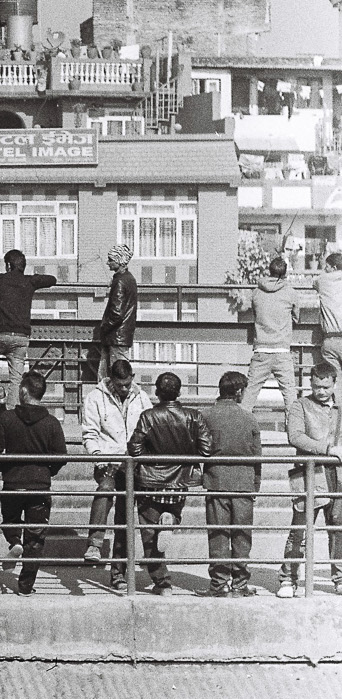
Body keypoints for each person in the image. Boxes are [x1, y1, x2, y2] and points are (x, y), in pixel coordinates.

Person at [127, 372, 213, 596]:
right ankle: (172, 520)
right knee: (173, 514)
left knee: (148, 534)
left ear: (157, 392)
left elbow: (134, 448)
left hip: (150, 482)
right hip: (179, 482)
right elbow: (206, 450)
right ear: (180, 391)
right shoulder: (193, 416)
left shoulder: (148, 416)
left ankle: (163, 583)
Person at [0, 370, 67, 596]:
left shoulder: (7, 418)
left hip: (12, 484)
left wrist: (5, 468)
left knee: (10, 520)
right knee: (35, 538)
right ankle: (25, 586)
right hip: (39, 485)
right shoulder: (52, 422)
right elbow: (61, 455)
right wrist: (47, 471)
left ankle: (14, 541)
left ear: (23, 391)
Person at [80, 358, 152, 571]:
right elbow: (90, 434)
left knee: (125, 516)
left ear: (133, 379)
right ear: (110, 380)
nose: (123, 389)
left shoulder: (142, 398)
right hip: (107, 461)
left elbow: (150, 429)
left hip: (133, 463)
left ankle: (119, 574)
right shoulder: (94, 398)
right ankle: (94, 544)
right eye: (119, 385)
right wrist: (100, 458)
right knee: (105, 488)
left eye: (127, 385)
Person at [278, 361, 342, 597]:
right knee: (300, 528)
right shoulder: (300, 405)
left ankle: (339, 578)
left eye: (325, 387)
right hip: (310, 474)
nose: (321, 392)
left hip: (338, 475)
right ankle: (288, 578)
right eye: (316, 387)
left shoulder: (340, 408)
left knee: (338, 529)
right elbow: (295, 436)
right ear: (310, 384)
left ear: (334, 384)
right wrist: (327, 449)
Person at [201, 371, 262, 597]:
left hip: (216, 482)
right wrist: (256, 484)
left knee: (218, 535)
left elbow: (199, 449)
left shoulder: (206, 416)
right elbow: (257, 455)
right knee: (242, 536)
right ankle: (239, 584)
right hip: (244, 484)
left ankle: (218, 584)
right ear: (238, 391)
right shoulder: (249, 418)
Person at [0, 249, 57, 410]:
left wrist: (2, 277)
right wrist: (32, 278)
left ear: (7, 265)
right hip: (21, 338)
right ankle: (11, 412)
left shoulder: (0, 280)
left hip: (2, 336)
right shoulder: (30, 281)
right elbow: (52, 279)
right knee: (16, 379)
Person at [244, 255, 301, 415]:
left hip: (261, 350)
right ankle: (293, 431)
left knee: (250, 394)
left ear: (269, 271)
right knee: (290, 395)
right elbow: (297, 317)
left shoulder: (256, 292)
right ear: (285, 274)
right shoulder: (290, 292)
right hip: (282, 351)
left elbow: (254, 314)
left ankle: (241, 430)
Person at [97, 243, 138, 378]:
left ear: (119, 261)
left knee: (115, 376)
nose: (108, 263)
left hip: (116, 337)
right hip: (122, 336)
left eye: (111, 259)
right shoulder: (129, 279)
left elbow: (116, 313)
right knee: (120, 374)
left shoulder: (120, 282)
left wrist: (103, 327)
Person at [316, 250, 342, 384]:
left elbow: (315, 282)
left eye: (327, 266)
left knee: (335, 381)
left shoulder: (323, 279)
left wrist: (321, 268)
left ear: (334, 267)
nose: (326, 269)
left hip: (331, 339)